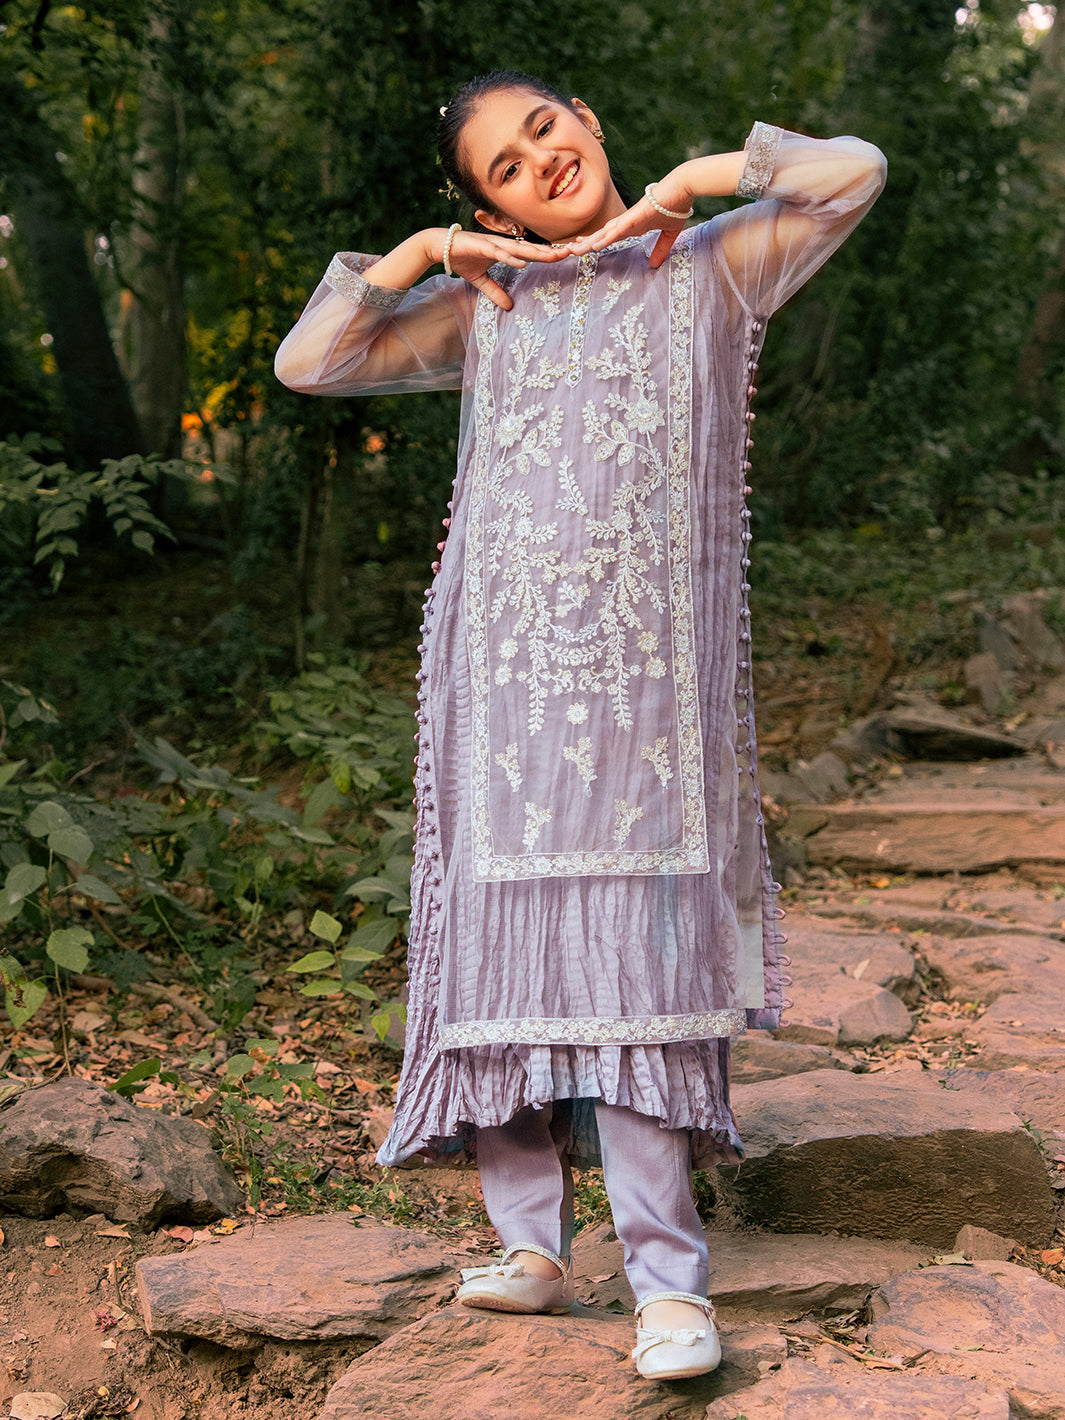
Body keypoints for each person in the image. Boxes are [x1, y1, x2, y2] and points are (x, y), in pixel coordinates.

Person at [275, 69, 885, 1381]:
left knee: (638, 983)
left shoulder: (716, 263)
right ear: (491, 208)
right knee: (500, 965)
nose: (538, 160)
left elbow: (853, 172)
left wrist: (688, 185)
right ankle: (531, 1247)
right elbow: (310, 360)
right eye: (502, 167)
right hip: (501, 690)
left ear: (589, 123)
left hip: (647, 710)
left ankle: (668, 1286)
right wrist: (429, 252)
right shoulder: (490, 302)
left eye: (544, 127)